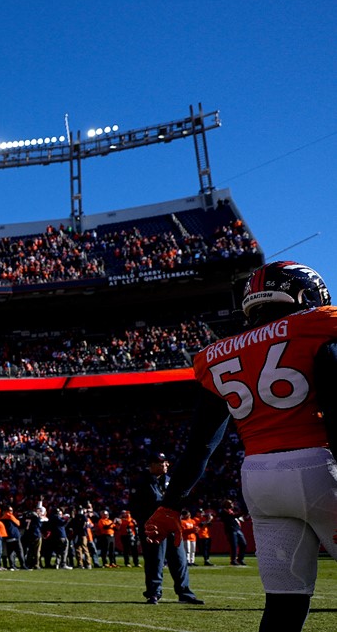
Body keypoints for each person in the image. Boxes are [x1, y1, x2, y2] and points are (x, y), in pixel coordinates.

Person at [145, 261, 337, 632]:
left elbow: (202, 443)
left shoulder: (217, 354)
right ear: (305, 295)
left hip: (260, 479)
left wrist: (170, 505)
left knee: (284, 603)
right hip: (320, 466)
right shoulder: (316, 326)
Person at [130, 453, 202, 604]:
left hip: (172, 527)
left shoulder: (171, 481)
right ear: (152, 465)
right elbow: (135, 507)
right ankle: (154, 593)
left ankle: (184, 593)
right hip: (154, 527)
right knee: (155, 560)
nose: (165, 465)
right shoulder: (141, 482)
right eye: (161, 462)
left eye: (166, 462)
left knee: (180, 560)